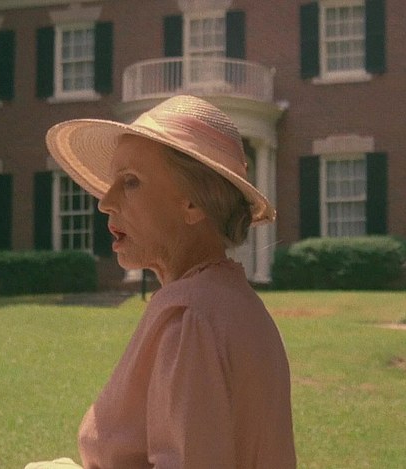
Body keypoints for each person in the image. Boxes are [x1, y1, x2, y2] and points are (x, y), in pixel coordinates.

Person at [29, 95, 296, 468]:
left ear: (193, 203)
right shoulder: (232, 303)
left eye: (131, 182)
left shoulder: (193, 316)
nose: (105, 201)